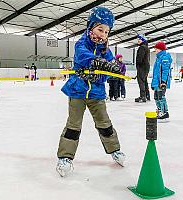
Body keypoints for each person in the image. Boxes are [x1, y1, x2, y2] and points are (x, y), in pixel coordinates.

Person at [56, 7, 125, 177]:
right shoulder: (81, 44)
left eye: (106, 31)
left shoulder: (106, 51)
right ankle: (65, 157)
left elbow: (112, 70)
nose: (102, 34)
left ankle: (115, 150)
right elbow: (83, 56)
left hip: (96, 94)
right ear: (91, 27)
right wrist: (98, 63)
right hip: (77, 92)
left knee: (105, 124)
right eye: (100, 29)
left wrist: (113, 68)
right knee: (73, 126)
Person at [151, 41, 172, 121]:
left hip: (161, 82)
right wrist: (154, 83)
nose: (155, 50)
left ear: (160, 49)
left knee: (161, 97)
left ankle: (164, 113)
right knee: (156, 97)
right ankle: (160, 111)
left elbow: (165, 71)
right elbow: (156, 72)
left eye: (156, 49)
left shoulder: (165, 58)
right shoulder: (158, 58)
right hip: (157, 82)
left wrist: (163, 82)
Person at [135, 34, 150, 103]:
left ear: (143, 40)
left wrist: (138, 65)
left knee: (141, 81)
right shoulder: (146, 47)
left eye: (139, 39)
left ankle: (143, 96)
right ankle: (147, 95)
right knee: (145, 81)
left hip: (142, 67)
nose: (138, 41)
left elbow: (140, 58)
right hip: (146, 67)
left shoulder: (142, 47)